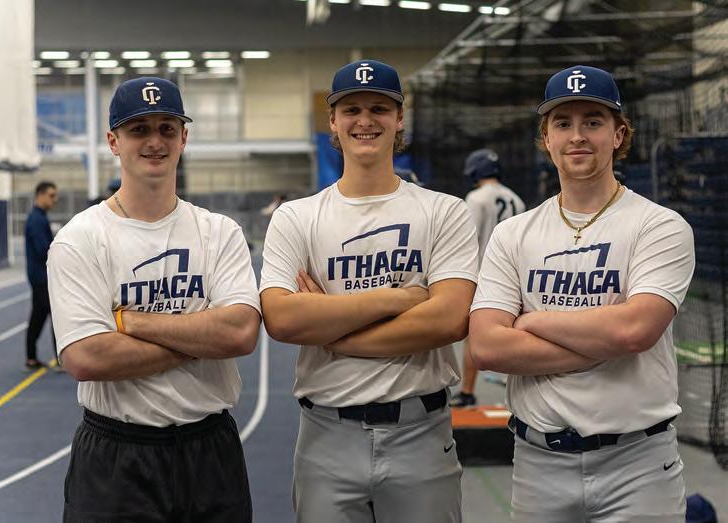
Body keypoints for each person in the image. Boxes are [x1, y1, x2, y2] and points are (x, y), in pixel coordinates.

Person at [468, 65, 695, 522]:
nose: (577, 136)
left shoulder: (658, 226)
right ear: (546, 138)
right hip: (538, 464)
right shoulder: (514, 234)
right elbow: (487, 346)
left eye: (593, 121)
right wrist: (601, 339)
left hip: (638, 466)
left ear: (618, 134)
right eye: (563, 123)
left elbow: (634, 331)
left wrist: (532, 321)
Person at [260, 59, 478, 523]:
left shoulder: (445, 212)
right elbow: (282, 319)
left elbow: (449, 319)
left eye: (379, 108)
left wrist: (333, 328)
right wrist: (397, 299)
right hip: (326, 435)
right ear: (332, 121)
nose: (365, 121)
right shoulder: (296, 217)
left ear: (399, 119)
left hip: (421, 432)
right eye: (352, 110)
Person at [48, 76, 260, 522]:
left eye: (167, 128)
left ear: (184, 138)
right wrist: (201, 337)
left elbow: (240, 333)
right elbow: (86, 357)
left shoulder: (219, 233)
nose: (155, 141)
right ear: (114, 141)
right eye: (139, 129)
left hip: (210, 452)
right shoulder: (80, 239)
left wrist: (131, 322)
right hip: (117, 457)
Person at [450, 149, 525, 407]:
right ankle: (514, 394)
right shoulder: (516, 199)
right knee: (513, 334)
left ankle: (467, 391)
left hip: (483, 275)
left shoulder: (476, 198)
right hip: (513, 276)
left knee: (474, 336)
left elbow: (467, 241)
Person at [25, 181, 59, 369]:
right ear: (40, 195)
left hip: (38, 277)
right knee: (58, 315)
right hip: (41, 278)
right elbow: (43, 250)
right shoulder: (37, 220)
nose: (55, 199)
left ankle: (31, 357)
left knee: (38, 316)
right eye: (51, 195)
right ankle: (62, 359)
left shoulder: (39, 217)